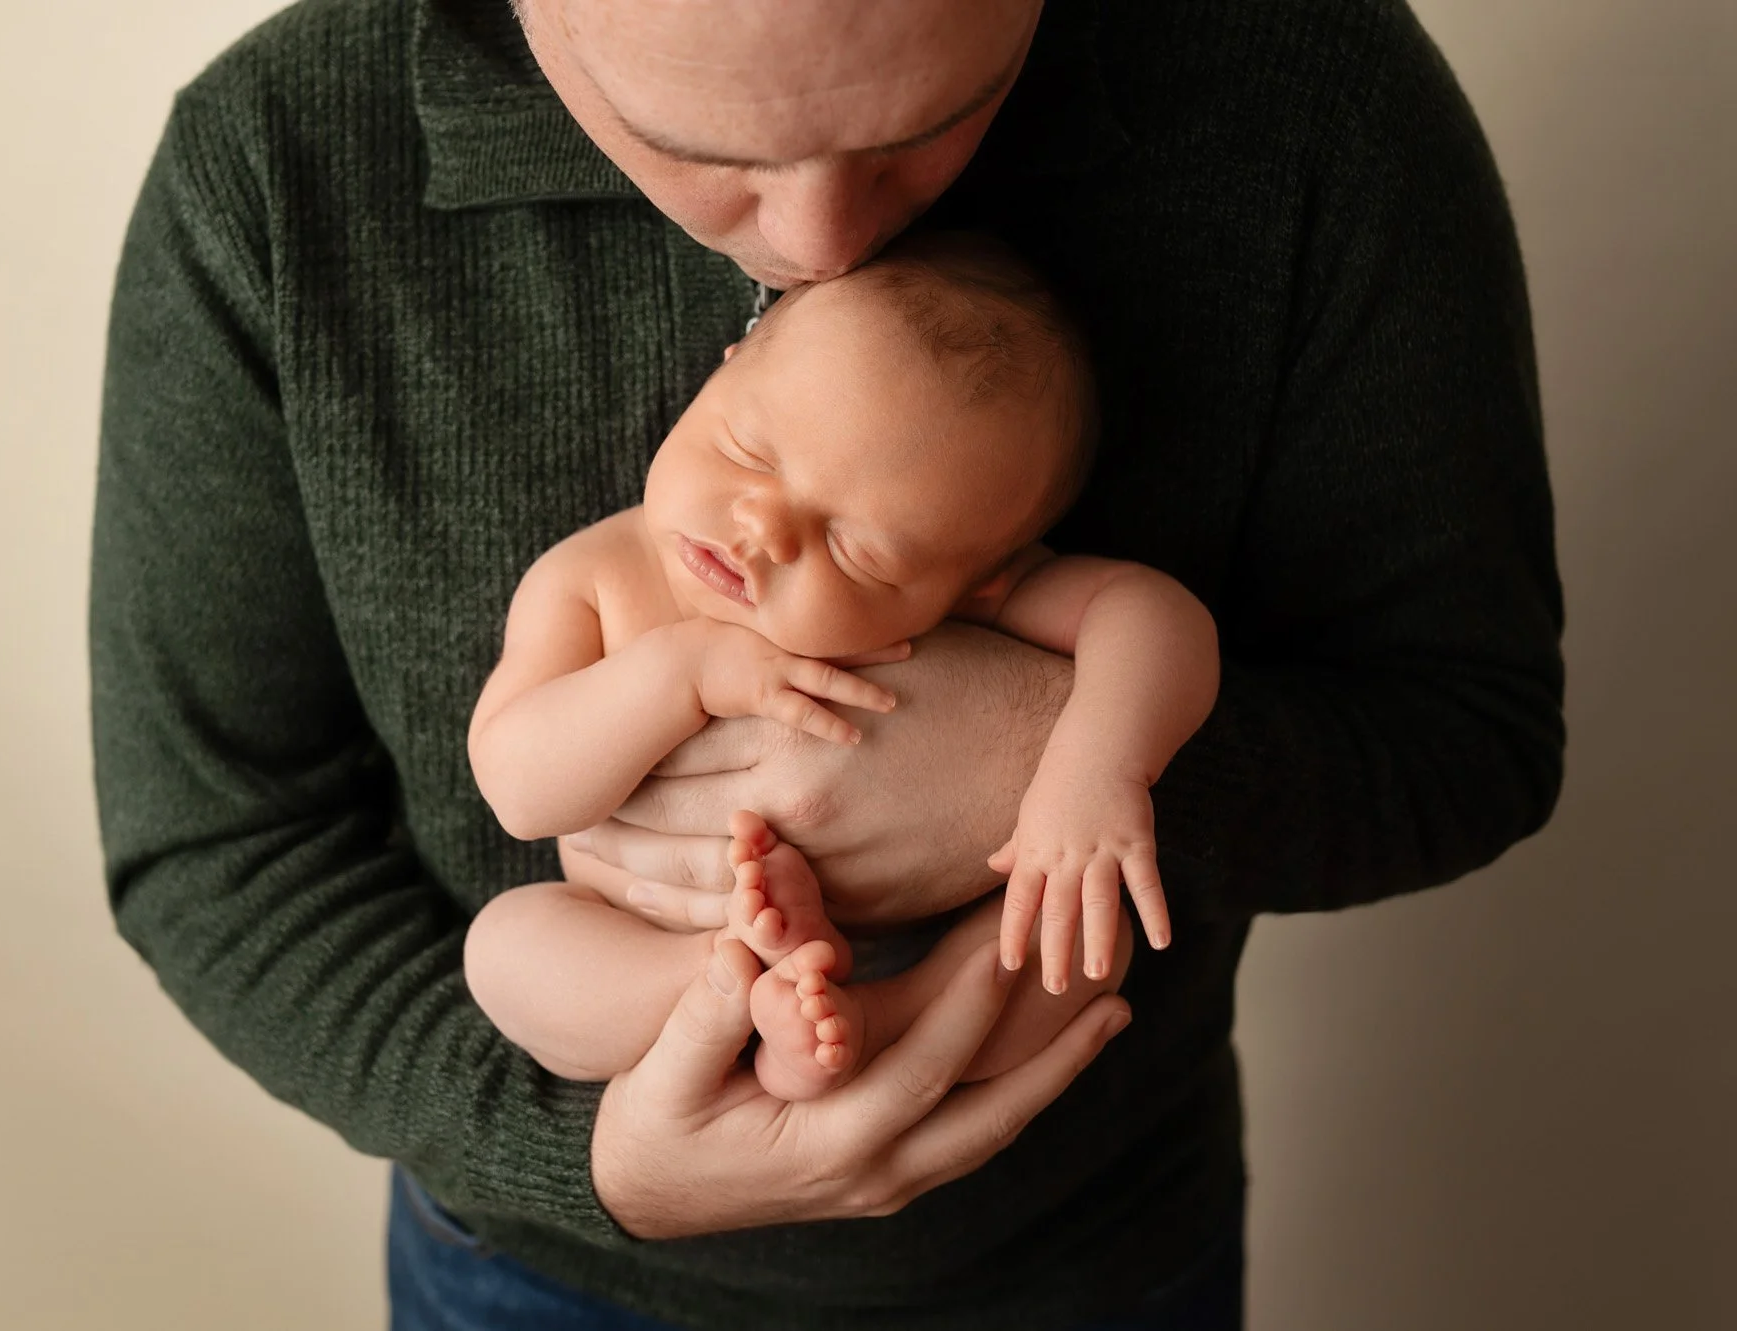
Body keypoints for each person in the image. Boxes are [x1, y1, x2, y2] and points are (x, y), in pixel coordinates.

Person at [90, 0, 1565, 1326]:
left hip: (1080, 1256)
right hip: (529, 1268)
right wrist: (589, 1153)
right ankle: (734, 999)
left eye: (932, 122)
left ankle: (887, 1026)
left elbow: (1466, 735)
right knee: (512, 952)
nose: (818, 249)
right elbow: (224, 845)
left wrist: (1056, 762)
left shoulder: (1311, 92)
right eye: (698, 148)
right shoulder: (278, 166)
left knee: (1057, 966)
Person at [464, 236, 1217, 1103]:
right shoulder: (596, 580)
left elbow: (1151, 614)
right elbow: (519, 791)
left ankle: (877, 1022)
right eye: (747, 450)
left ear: (974, 584)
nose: (763, 527)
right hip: (640, 935)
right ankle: (721, 983)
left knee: (1083, 942)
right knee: (505, 950)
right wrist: (684, 673)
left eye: (856, 550)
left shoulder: (958, 602)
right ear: (724, 368)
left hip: (899, 953)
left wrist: (1092, 775)